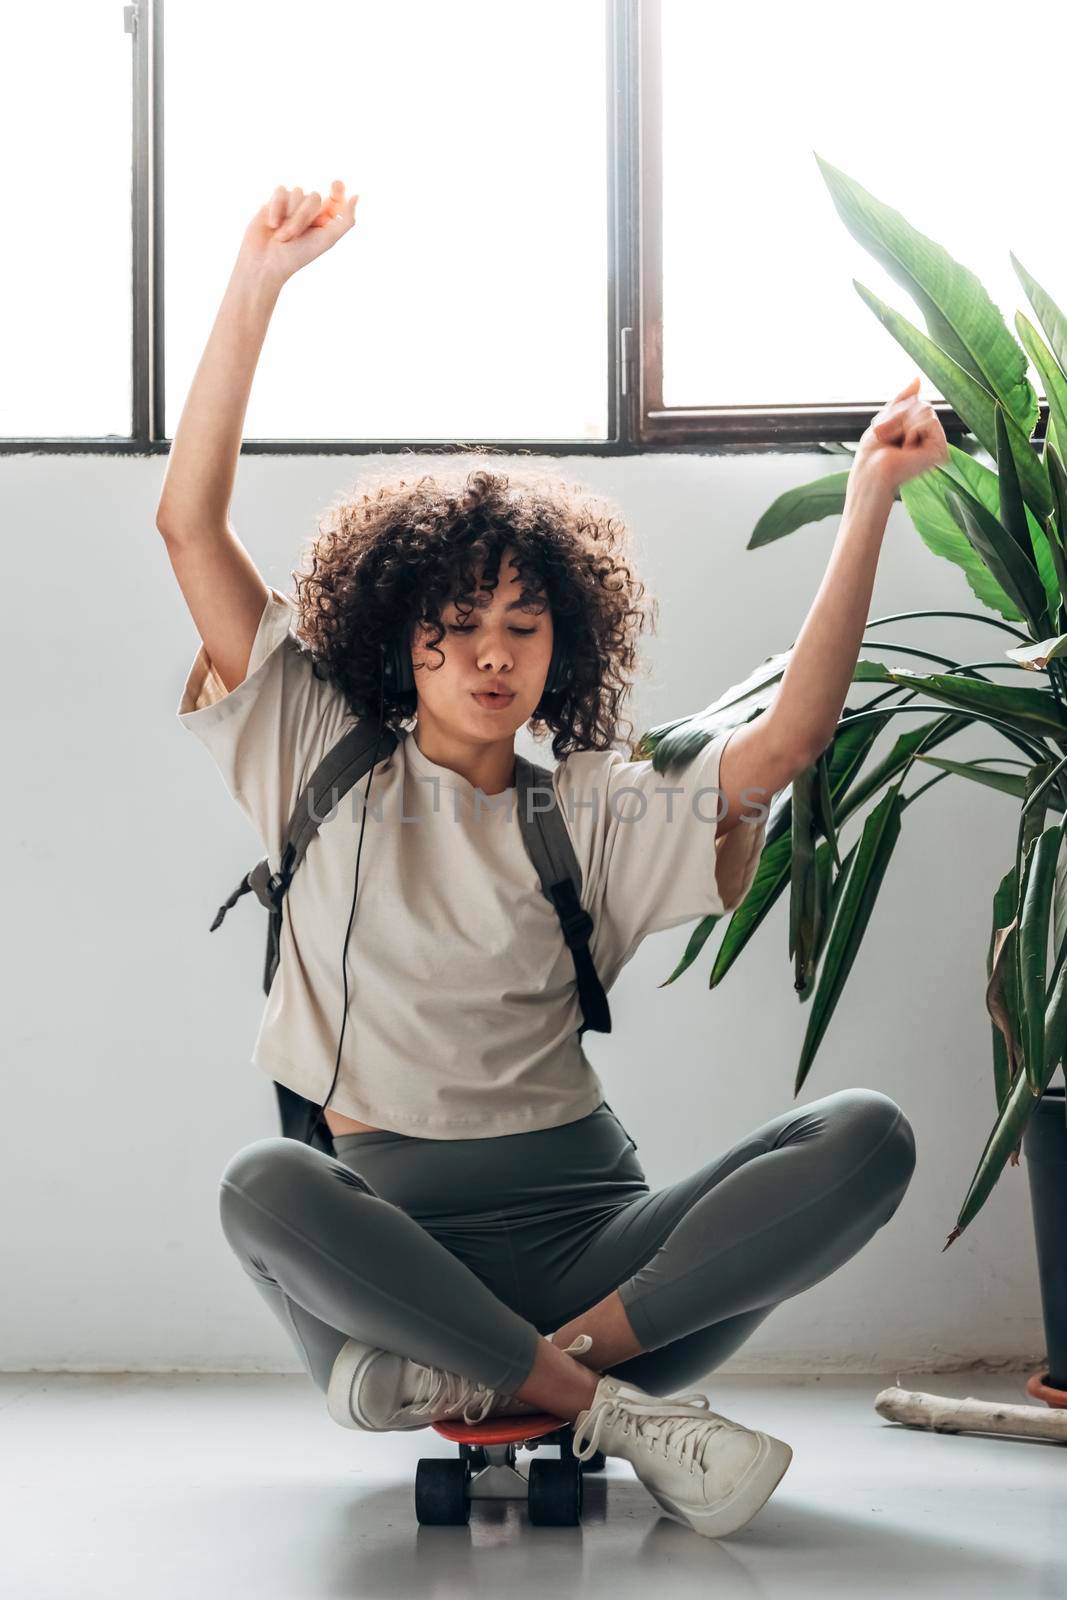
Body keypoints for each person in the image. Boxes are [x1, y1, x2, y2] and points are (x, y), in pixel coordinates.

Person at [156, 179, 937, 1540]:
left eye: (524, 625)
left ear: (561, 644)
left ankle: (545, 1374)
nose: (492, 653)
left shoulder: (586, 808)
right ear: (404, 640)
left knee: (868, 1136)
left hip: (608, 1258)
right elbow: (187, 524)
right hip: (390, 1254)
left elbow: (786, 741)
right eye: (457, 625)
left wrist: (869, 496)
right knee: (258, 1185)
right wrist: (257, 284)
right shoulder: (311, 749)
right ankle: (610, 1413)